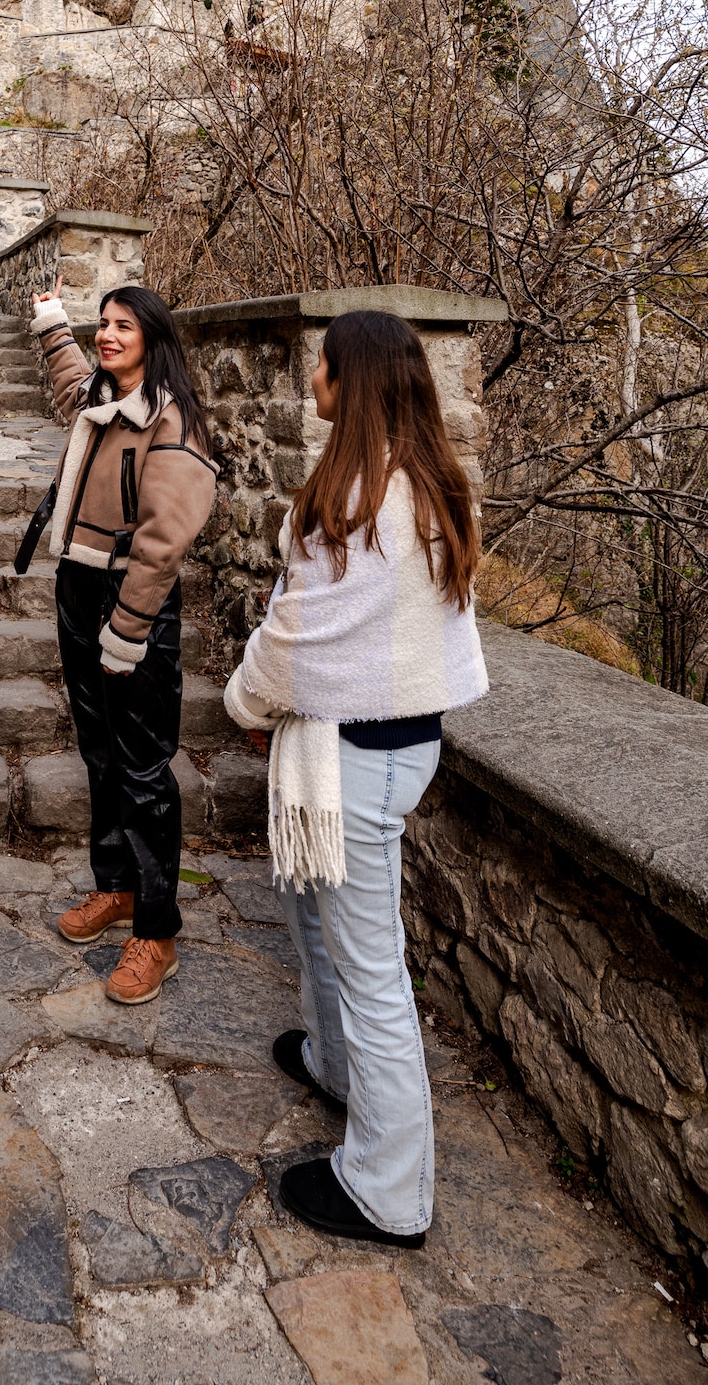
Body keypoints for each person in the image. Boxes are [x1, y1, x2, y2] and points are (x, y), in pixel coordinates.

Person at [224, 309, 487, 1248]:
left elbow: (300, 639)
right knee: (318, 923)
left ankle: (390, 1188)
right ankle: (335, 1065)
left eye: (323, 366)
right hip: (393, 749)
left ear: (353, 382)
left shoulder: (363, 503)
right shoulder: (428, 485)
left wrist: (243, 701)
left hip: (355, 759)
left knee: (373, 973)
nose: (312, 379)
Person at [28, 278, 217, 1004]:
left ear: (153, 340)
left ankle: (158, 930)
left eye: (123, 328)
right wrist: (53, 323)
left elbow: (166, 540)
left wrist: (129, 629)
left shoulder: (173, 420)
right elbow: (72, 373)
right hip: (76, 587)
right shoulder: (100, 399)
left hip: (130, 602)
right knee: (98, 753)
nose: (107, 337)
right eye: (103, 324)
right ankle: (118, 888)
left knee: (142, 768)